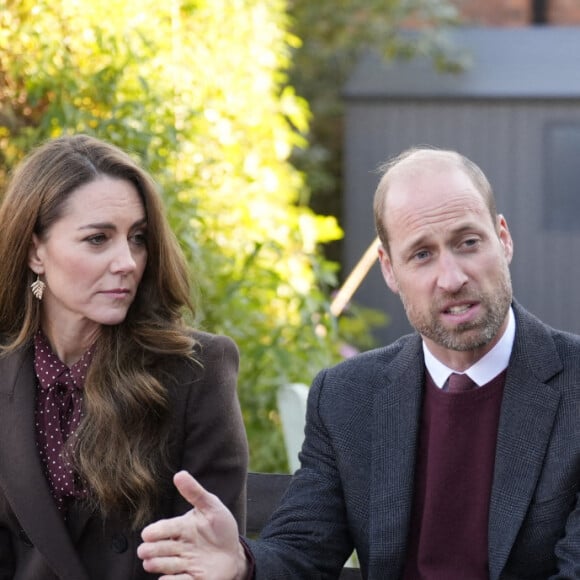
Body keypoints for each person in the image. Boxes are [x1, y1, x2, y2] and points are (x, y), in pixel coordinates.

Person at [137, 146, 580, 579]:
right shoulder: (349, 396)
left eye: (467, 243)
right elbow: (303, 550)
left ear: (503, 239)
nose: (451, 278)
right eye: (421, 254)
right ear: (389, 269)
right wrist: (240, 564)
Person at [0, 134, 248, 580]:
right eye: (98, 239)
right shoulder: (7, 373)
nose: (128, 262)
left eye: (137, 238)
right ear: (37, 251)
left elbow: (208, 554)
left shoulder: (195, 370)